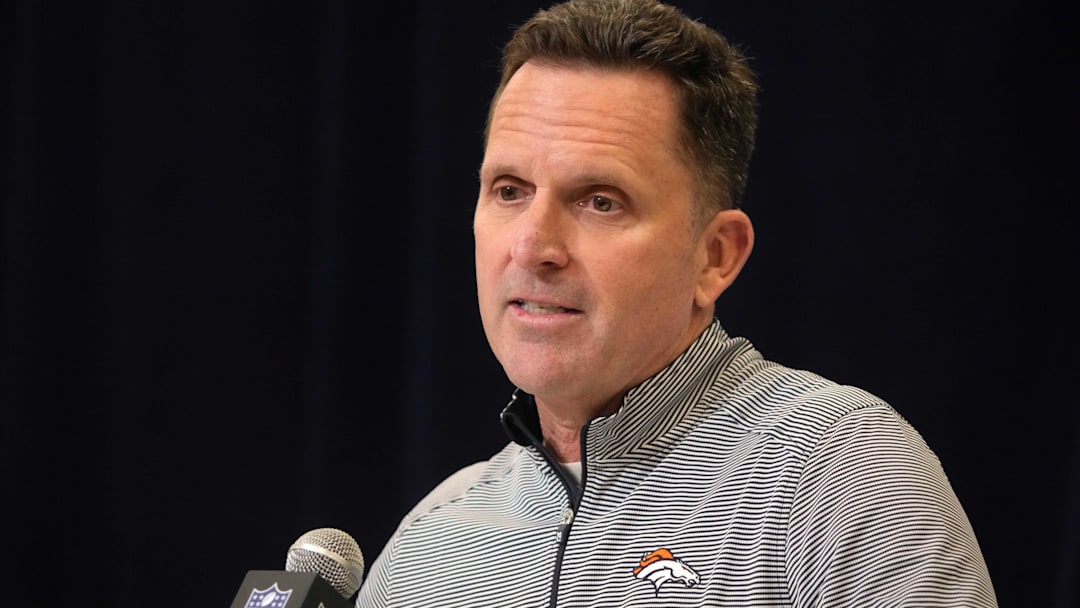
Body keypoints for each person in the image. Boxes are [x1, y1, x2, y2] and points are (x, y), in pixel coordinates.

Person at [356, 0, 998, 605]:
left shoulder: (841, 476)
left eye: (600, 200)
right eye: (509, 190)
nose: (532, 247)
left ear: (715, 255)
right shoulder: (430, 544)